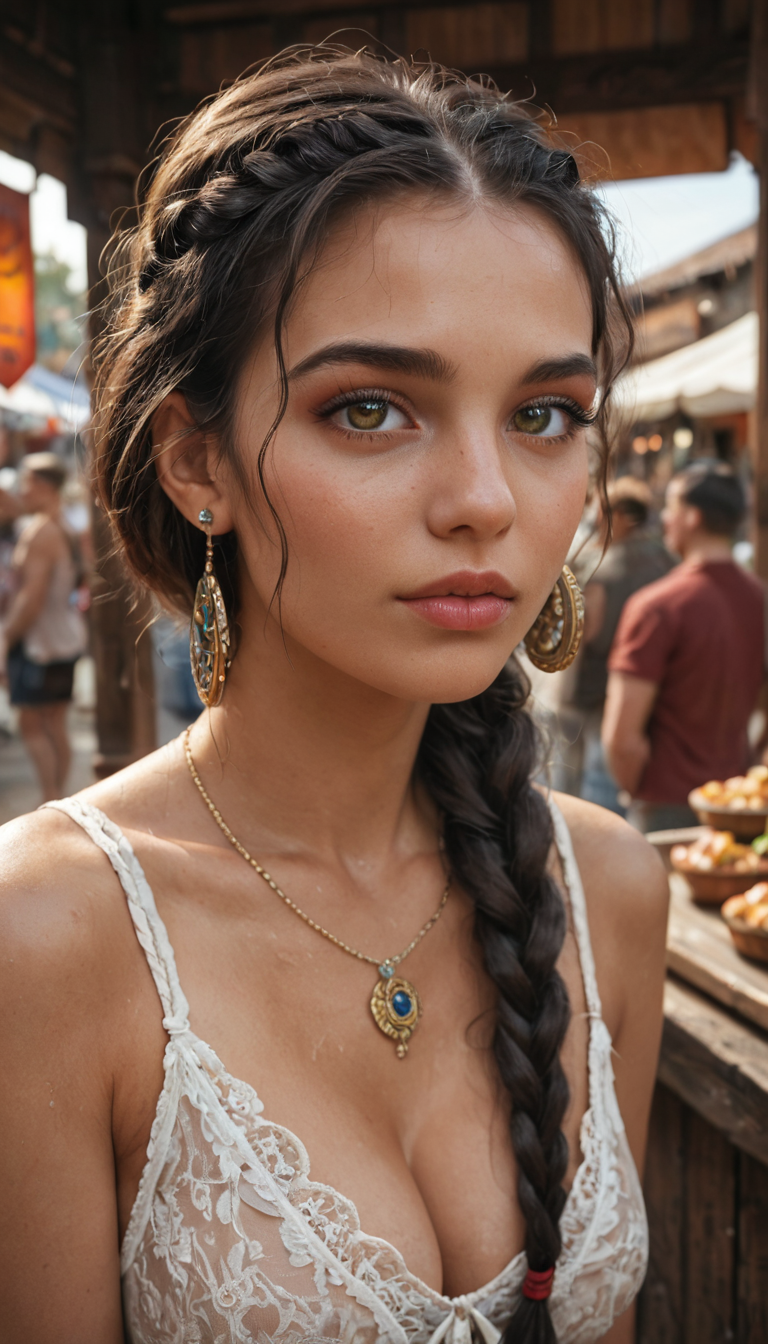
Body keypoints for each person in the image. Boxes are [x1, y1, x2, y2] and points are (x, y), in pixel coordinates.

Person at [0, 50, 667, 1344]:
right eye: (371, 409)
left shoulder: (608, 890)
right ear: (199, 460)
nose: (485, 497)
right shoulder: (49, 942)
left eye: (543, 412)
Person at [603, 461, 764, 833]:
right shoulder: (760, 599)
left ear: (693, 517)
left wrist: (637, 790)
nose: (665, 519)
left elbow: (622, 739)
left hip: (666, 805)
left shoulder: (657, 606)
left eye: (672, 507)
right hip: (736, 803)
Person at [574, 478, 673, 812]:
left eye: (599, 512)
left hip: (604, 691)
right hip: (658, 689)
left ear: (614, 515)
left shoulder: (606, 567)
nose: (594, 520)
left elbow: (589, 632)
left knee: (602, 786)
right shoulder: (668, 560)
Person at [0, 453, 87, 802]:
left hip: (41, 642)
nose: (22, 490)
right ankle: (57, 797)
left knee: (33, 723)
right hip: (62, 637)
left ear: (40, 485)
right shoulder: (61, 524)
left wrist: (5, 639)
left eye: (26, 482)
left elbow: (30, 600)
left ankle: (50, 798)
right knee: (53, 724)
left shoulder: (41, 532)